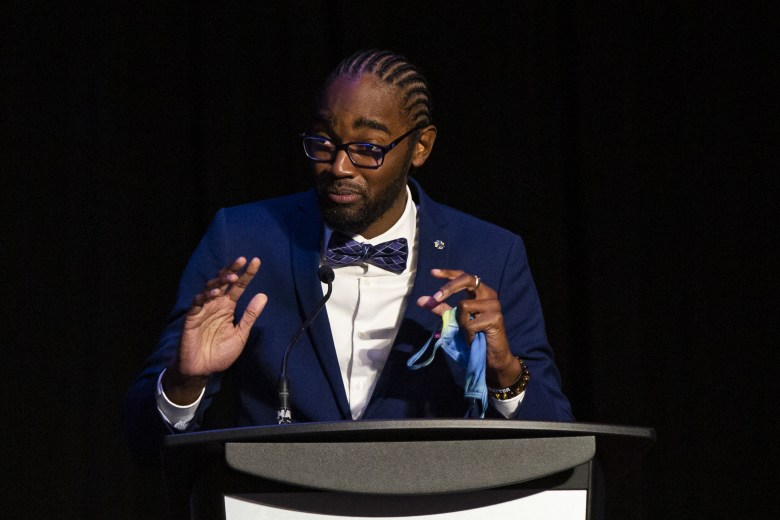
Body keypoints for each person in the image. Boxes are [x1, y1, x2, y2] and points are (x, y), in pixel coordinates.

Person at [123, 49, 573, 462]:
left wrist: (504, 370)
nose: (339, 167)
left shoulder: (492, 253)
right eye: (323, 143)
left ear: (421, 147)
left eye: (367, 149)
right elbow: (140, 437)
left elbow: (560, 440)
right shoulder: (242, 239)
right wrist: (185, 383)